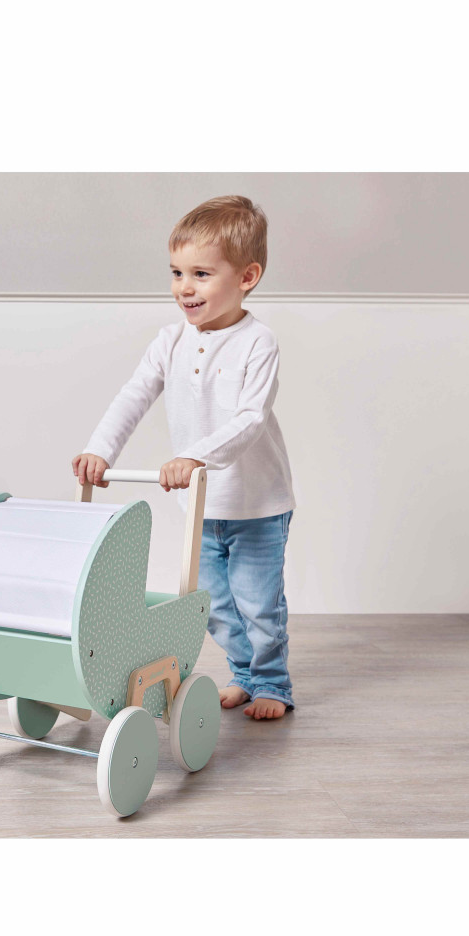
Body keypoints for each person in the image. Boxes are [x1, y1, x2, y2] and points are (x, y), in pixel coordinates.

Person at [71, 195, 296, 720]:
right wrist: (100, 449)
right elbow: (134, 394)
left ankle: (272, 684)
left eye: (201, 274)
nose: (184, 287)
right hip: (200, 506)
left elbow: (251, 419)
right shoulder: (169, 341)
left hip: (257, 506)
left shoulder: (257, 342)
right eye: (176, 273)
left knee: (259, 606)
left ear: (247, 277)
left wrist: (194, 456)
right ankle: (243, 674)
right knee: (211, 605)